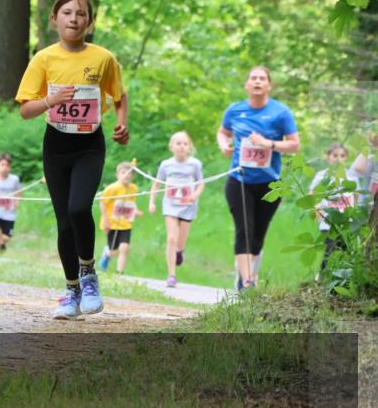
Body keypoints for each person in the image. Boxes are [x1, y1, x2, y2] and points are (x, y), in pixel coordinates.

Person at [16, 0, 129, 320]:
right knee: (64, 223)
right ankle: (71, 291)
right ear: (54, 19)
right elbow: (25, 110)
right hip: (56, 145)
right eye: (67, 13)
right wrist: (51, 101)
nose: (74, 19)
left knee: (80, 208)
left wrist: (122, 124)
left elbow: (118, 96)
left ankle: (89, 273)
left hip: (89, 144)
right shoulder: (44, 59)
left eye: (81, 14)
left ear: (89, 22)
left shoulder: (103, 58)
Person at [217, 66, 300, 290]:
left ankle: (250, 273)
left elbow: (294, 144)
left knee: (258, 235)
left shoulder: (280, 113)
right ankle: (246, 281)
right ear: (246, 85)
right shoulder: (235, 110)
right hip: (239, 179)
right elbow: (223, 132)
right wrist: (224, 145)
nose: (257, 82)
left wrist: (269, 144)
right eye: (253, 78)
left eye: (262, 78)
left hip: (270, 184)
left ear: (269, 85)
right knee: (244, 229)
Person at [148, 132, 204, 287]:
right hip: (170, 205)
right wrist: (152, 202)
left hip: (188, 205)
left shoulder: (195, 164)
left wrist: (195, 195)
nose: (182, 146)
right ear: (171, 147)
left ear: (189, 147)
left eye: (185, 144)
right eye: (178, 143)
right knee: (171, 238)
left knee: (180, 242)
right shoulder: (166, 164)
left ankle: (180, 252)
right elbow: (156, 184)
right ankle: (172, 275)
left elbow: (201, 183)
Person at [311, 143, 358, 277]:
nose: (338, 159)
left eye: (342, 156)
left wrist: (354, 212)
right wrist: (317, 209)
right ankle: (321, 275)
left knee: (345, 248)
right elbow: (312, 193)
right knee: (329, 247)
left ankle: (342, 276)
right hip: (328, 218)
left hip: (346, 219)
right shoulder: (322, 175)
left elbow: (356, 194)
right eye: (335, 155)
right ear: (327, 157)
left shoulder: (350, 175)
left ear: (346, 158)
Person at [98, 162, 144, 276]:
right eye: (124, 172)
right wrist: (105, 220)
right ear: (118, 174)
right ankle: (107, 254)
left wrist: (136, 211)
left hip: (126, 224)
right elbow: (102, 203)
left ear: (132, 176)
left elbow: (131, 203)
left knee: (124, 248)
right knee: (114, 251)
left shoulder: (134, 189)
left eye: (130, 173)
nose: (127, 175)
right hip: (112, 223)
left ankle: (120, 272)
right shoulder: (112, 188)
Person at [0, 152, 21, 253]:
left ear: (10, 167)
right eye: (2, 165)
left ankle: (2, 244)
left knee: (7, 237)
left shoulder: (15, 179)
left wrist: (18, 201)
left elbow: (20, 191)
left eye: (7, 165)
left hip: (10, 214)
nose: (4, 167)